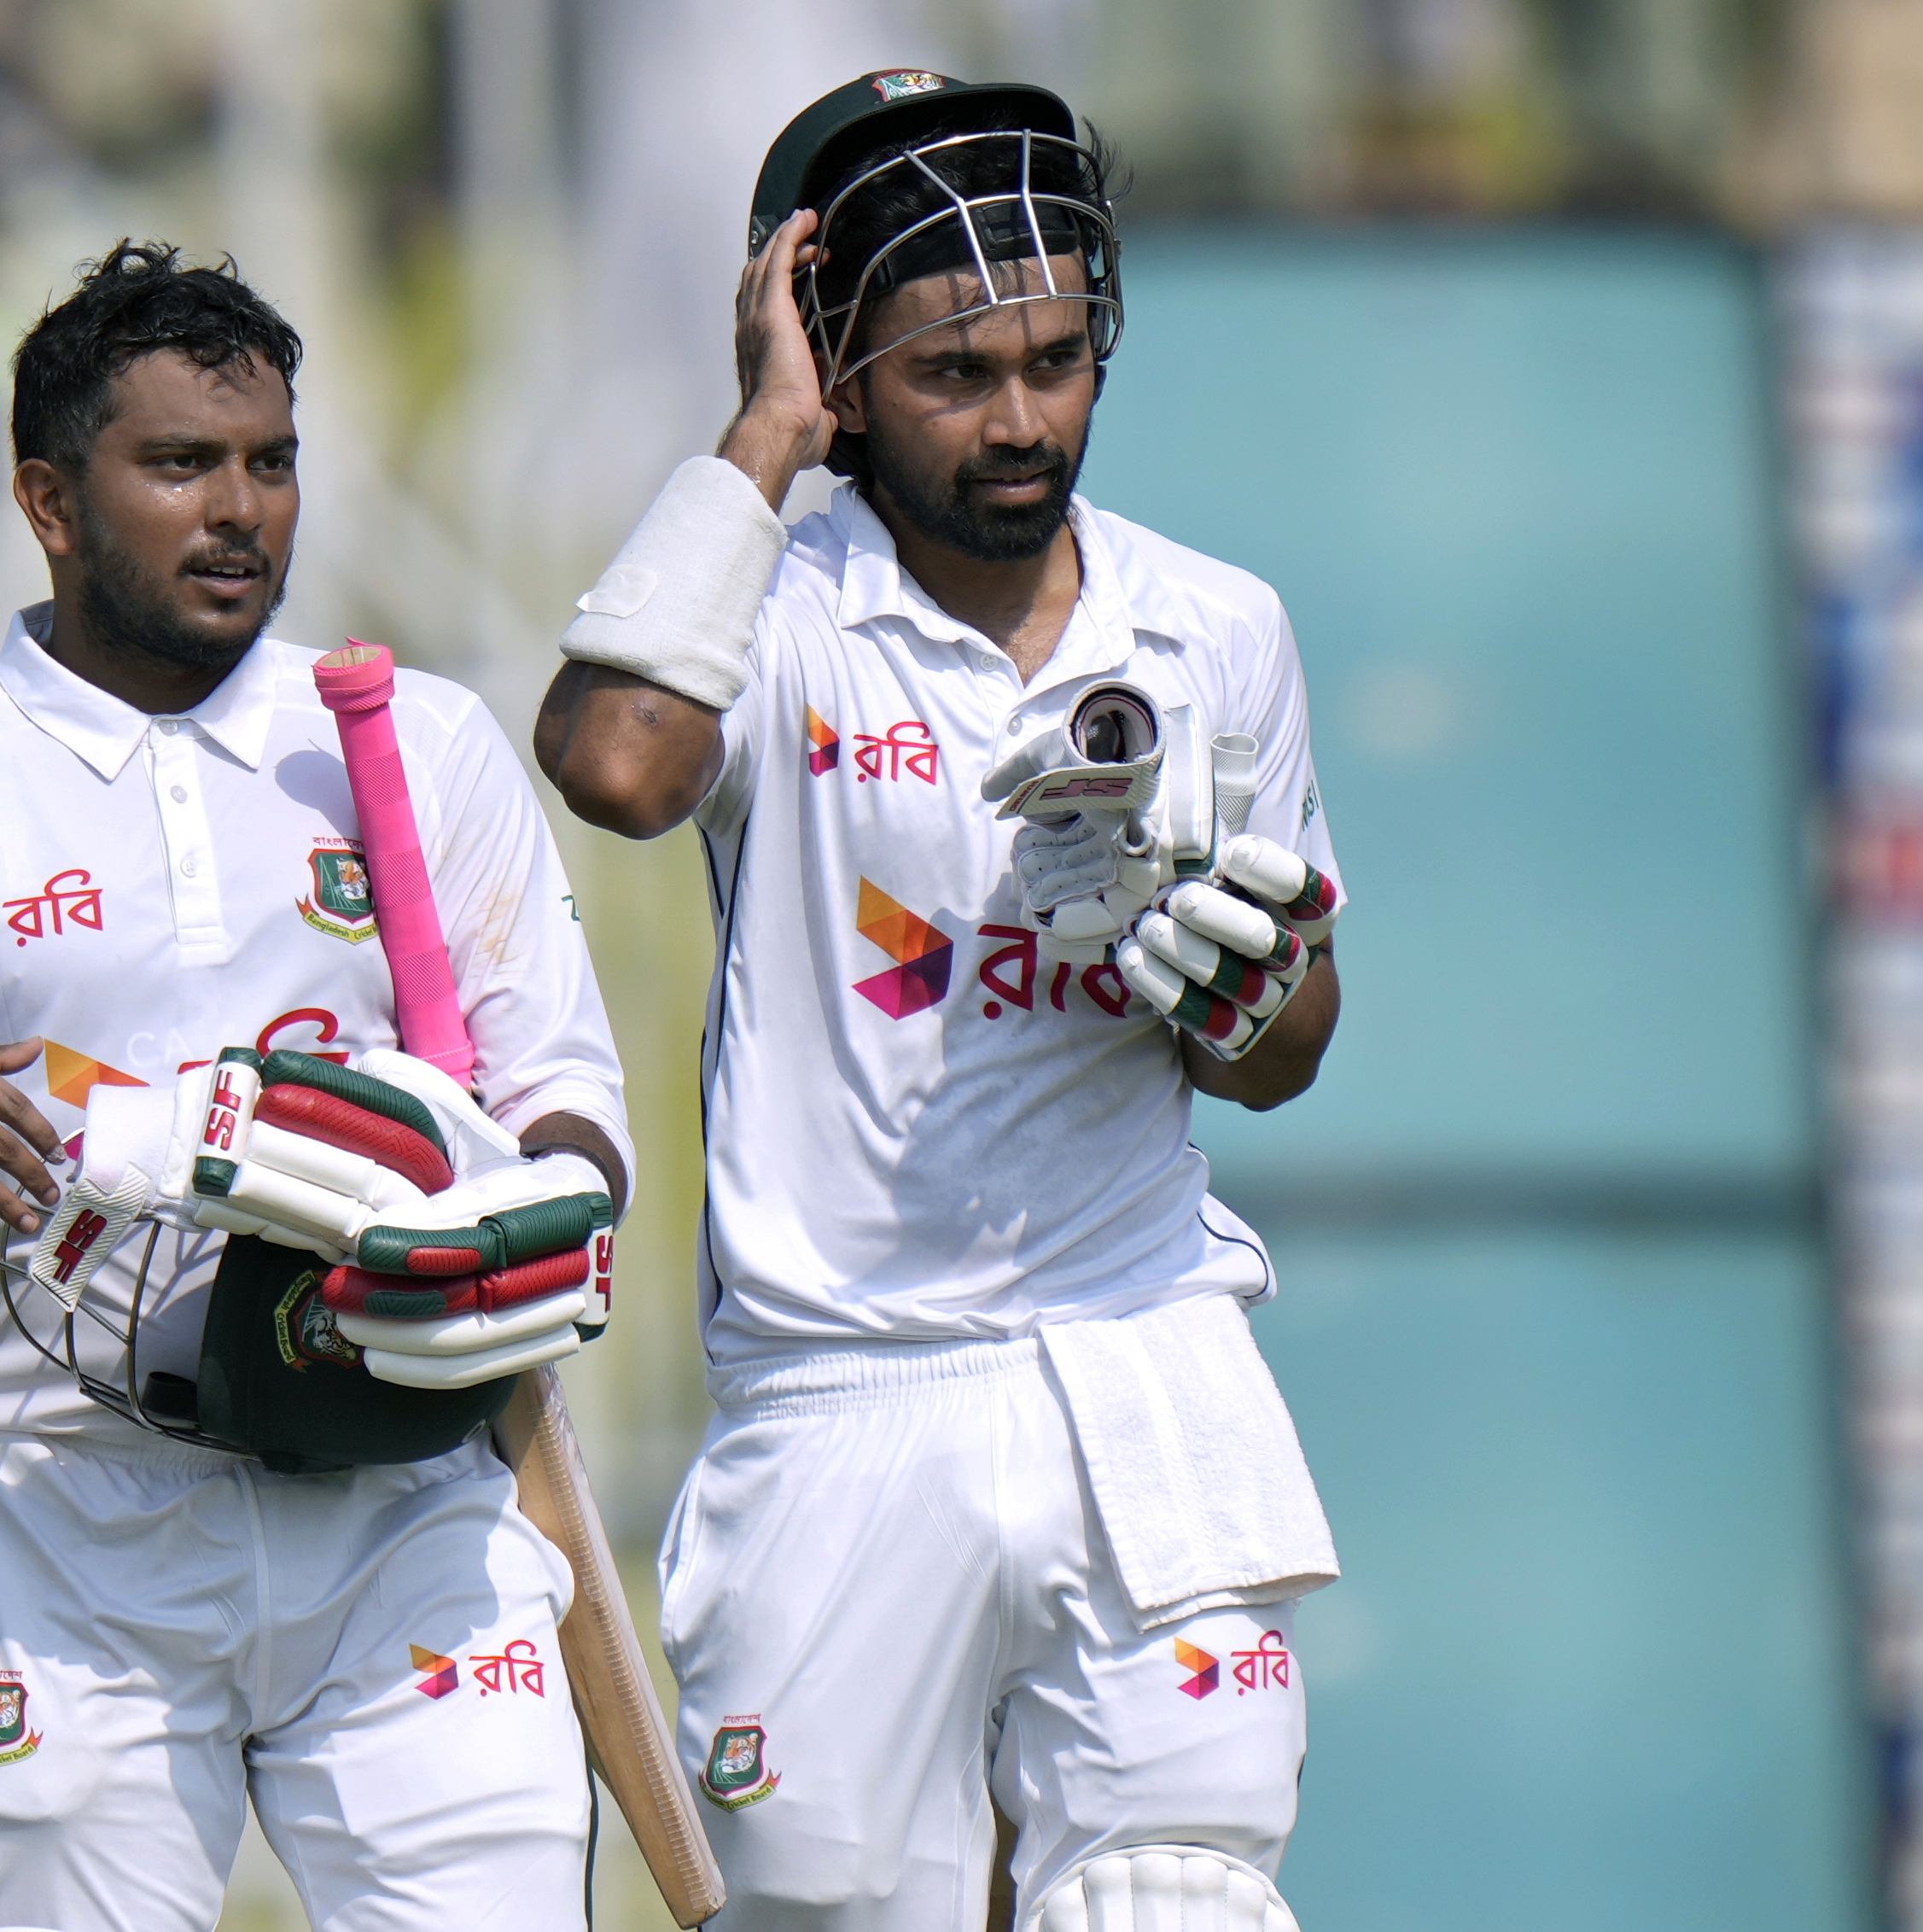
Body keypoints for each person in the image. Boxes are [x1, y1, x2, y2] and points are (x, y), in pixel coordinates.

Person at [0, 241, 632, 1931]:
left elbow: (566, 1098)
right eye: (178, 465)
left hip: (400, 1496)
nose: (240, 511)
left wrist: (513, 1235)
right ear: (47, 496)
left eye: (271, 462)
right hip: (53, 1513)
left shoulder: (408, 739)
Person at [534, 73, 1346, 1930]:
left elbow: (1293, 1052)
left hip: (1138, 1347)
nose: (1018, 421)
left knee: (1177, 1895)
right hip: (844, 1381)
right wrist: (757, 438)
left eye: (1056, 362)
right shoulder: (782, 603)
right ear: (835, 372)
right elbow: (616, 762)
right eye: (952, 376)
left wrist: (1241, 978)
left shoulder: (1215, 628)